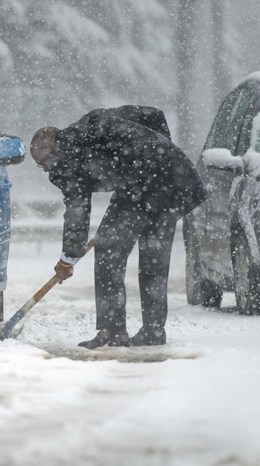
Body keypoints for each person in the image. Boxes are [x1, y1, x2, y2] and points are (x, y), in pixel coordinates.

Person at [30, 105, 206, 349]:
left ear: (50, 149)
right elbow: (154, 115)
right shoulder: (93, 121)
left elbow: (77, 212)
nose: (48, 169)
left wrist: (67, 259)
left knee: (107, 253)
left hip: (142, 186)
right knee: (153, 256)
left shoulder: (66, 156)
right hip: (174, 181)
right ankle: (154, 330)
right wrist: (161, 153)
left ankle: (113, 331)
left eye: (43, 163)